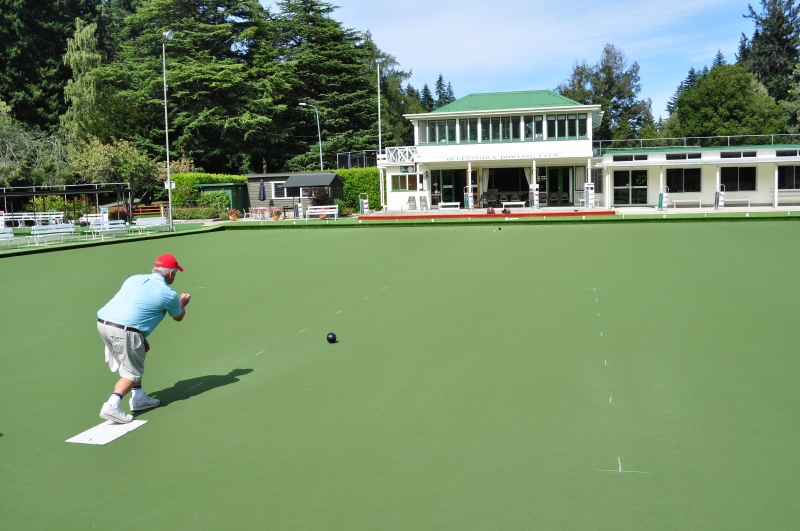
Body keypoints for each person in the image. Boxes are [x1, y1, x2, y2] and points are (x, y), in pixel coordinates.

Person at [96, 253, 191, 423]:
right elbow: (178, 316)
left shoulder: (134, 278)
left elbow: (132, 304)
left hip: (103, 323)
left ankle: (138, 398)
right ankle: (112, 404)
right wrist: (182, 303)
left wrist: (138, 335)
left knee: (137, 356)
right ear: (171, 273)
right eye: (175, 273)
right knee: (131, 373)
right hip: (125, 330)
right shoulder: (168, 293)